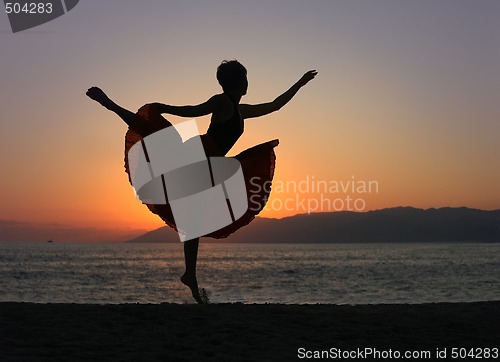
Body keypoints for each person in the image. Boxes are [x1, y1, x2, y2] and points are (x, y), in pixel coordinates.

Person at [86, 60, 317, 303]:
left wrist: (299, 84)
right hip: (198, 153)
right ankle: (109, 103)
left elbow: (274, 106)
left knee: (193, 219)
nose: (248, 84)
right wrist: (164, 107)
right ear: (238, 82)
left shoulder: (241, 110)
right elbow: (193, 110)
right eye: (245, 79)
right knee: (153, 134)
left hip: (210, 163)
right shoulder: (221, 101)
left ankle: (190, 275)